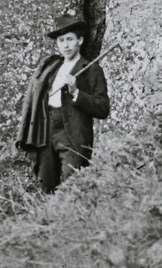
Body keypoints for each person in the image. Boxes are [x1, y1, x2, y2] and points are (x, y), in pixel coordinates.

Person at [16, 13, 111, 191]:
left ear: (80, 41)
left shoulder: (91, 70)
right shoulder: (50, 68)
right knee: (46, 184)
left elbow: (103, 108)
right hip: (45, 132)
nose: (65, 45)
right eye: (61, 40)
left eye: (70, 39)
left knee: (73, 183)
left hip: (73, 134)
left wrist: (77, 92)